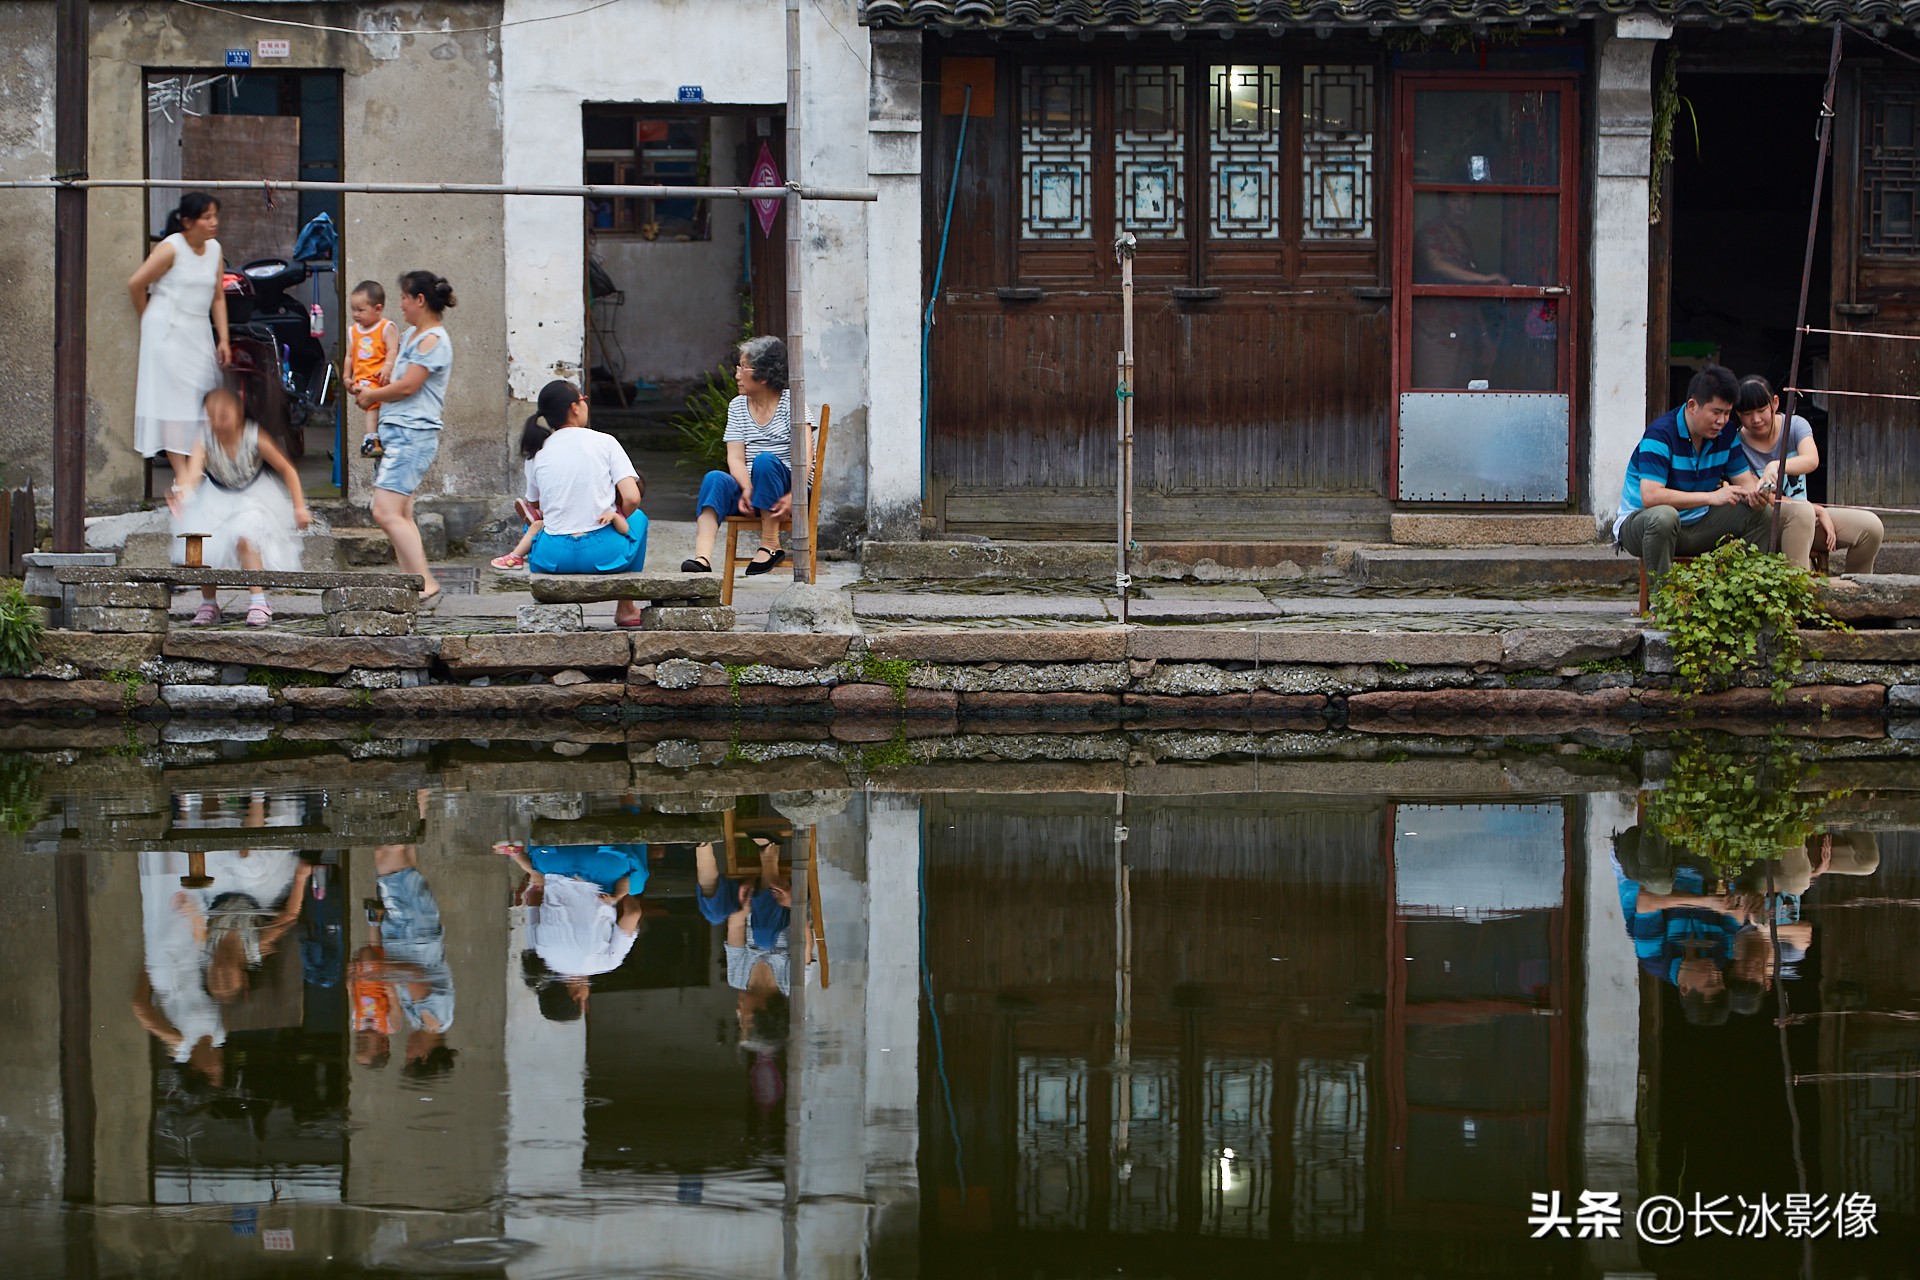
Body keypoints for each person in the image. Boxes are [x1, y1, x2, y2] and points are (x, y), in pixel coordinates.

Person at [1614, 364, 1776, 585]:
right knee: (1664, 516)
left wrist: (1758, 491)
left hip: (1698, 524)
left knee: (1762, 514)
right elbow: (1651, 497)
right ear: (1692, 405)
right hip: (1644, 527)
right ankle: (1662, 608)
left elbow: (1744, 480)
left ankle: (1738, 596)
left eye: (1727, 413)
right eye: (1716, 412)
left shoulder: (1726, 433)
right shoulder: (1660, 435)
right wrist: (1711, 497)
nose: (1722, 421)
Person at [168, 387, 313, 627]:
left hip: (252, 495)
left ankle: (258, 600)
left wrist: (299, 506)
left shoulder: (254, 435)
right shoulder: (205, 439)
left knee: (246, 536)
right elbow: (193, 473)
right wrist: (181, 492)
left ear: (239, 411)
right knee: (204, 541)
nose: (218, 422)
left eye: (224, 415)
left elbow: (287, 469)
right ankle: (208, 603)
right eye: (212, 416)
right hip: (215, 495)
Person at [354, 270, 455, 605]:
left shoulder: (433, 340)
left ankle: (426, 582)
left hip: (412, 435)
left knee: (384, 511)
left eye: (403, 298)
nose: (401, 304)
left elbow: (410, 385)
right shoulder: (413, 334)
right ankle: (412, 582)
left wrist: (374, 396)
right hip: (397, 432)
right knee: (401, 512)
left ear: (419, 300)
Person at [520, 379, 650, 628]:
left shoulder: (536, 451)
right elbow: (632, 497)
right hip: (603, 554)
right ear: (575, 407)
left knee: (534, 523)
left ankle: (551, 607)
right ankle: (626, 608)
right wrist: (617, 515)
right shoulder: (605, 442)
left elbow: (535, 506)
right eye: (583, 400)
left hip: (552, 558)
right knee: (639, 518)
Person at [682, 337, 812, 577]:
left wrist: (794, 495)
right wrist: (747, 488)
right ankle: (702, 557)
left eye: (743, 368)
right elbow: (736, 458)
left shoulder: (792, 404)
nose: (737, 375)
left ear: (763, 375)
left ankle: (770, 544)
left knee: (764, 460)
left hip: (788, 491)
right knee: (714, 478)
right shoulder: (738, 406)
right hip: (751, 491)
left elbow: (805, 458)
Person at [1731, 375, 1883, 574]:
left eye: (1761, 410)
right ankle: (1802, 595)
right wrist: (1817, 510)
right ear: (1738, 413)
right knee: (1802, 514)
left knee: (1871, 528)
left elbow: (1811, 460)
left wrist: (1775, 466)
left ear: (1774, 403)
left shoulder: (1794, 426)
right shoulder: (1736, 443)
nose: (1756, 419)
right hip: (1770, 526)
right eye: (1747, 413)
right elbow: (1763, 497)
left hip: (1806, 515)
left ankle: (1857, 591)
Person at [129, 192, 230, 467]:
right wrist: (148, 317)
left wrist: (224, 339)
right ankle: (181, 475)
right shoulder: (171, 248)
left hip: (197, 329)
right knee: (174, 401)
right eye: (206, 217)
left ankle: (197, 467)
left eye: (214, 216)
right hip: (167, 329)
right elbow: (136, 284)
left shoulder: (215, 249)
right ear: (188, 221)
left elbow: (218, 296)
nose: (213, 222)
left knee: (201, 396)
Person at [370, 843, 457, 1079]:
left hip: (406, 934)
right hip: (413, 932)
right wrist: (375, 972)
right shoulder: (435, 1019)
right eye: (409, 1056)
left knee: (404, 854)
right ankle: (402, 812)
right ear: (424, 1055)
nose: (406, 1051)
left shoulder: (421, 1020)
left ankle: (414, 809)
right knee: (386, 855)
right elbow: (413, 974)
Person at [1411, 193, 1506, 389]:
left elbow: (1471, 294)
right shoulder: (1429, 233)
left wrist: (1484, 337)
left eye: (1468, 201)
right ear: (1441, 201)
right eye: (1455, 200)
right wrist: (1484, 279)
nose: (1462, 207)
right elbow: (1436, 264)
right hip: (1434, 332)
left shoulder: (1463, 238)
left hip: (1464, 333)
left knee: (1460, 393)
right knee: (1435, 394)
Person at [345, 280, 400, 458]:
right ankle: (372, 439)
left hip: (382, 378)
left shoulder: (386, 327)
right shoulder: (354, 331)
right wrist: (347, 377)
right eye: (353, 309)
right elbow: (349, 356)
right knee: (371, 408)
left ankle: (372, 438)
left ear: (378, 309)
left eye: (361, 310)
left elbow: (393, 349)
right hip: (364, 380)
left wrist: (387, 367)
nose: (356, 314)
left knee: (377, 409)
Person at [490, 418, 551, 571]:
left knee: (536, 524)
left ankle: (516, 556)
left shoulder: (533, 459)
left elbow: (533, 499)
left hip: (551, 514)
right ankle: (516, 555)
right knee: (538, 523)